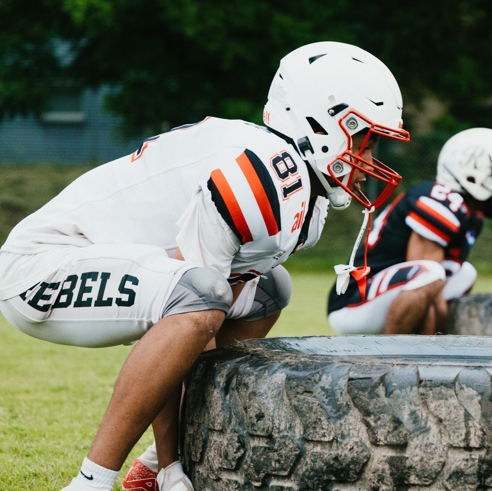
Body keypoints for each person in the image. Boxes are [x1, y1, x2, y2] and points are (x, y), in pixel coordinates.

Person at [0, 41, 410, 491]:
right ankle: (91, 482)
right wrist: (175, 469)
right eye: (366, 142)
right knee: (201, 296)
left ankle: (156, 464)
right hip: (40, 269)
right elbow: (188, 301)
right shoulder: (263, 173)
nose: (370, 163)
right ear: (323, 123)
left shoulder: (297, 190)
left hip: (108, 265)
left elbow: (197, 313)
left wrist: (170, 460)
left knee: (270, 291)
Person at [327, 127, 492, 335]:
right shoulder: (441, 202)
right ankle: (394, 356)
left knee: (465, 273)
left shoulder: (471, 215)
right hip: (353, 304)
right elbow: (428, 282)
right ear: (474, 173)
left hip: (390, 295)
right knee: (430, 273)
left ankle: (426, 348)